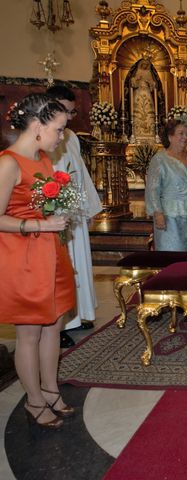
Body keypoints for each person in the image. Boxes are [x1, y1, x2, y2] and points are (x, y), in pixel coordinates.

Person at [0, 93, 76, 428]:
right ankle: (33, 400)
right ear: (37, 125)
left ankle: (49, 388)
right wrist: (38, 225)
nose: (61, 137)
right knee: (29, 332)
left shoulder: (43, 161)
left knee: (53, 325)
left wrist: (57, 218)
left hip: (49, 252)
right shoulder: (9, 163)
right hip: (24, 258)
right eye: (58, 129)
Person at [47, 85, 103, 349]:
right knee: (63, 268)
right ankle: (60, 326)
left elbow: (81, 173)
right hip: (56, 215)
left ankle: (78, 315)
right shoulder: (45, 138)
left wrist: (89, 207)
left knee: (79, 262)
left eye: (71, 112)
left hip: (75, 213)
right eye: (65, 111)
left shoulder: (71, 137)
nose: (69, 118)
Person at [145, 119, 187, 251]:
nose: (185, 137)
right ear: (170, 137)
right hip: (169, 218)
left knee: (186, 260)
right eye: (181, 133)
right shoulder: (159, 160)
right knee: (170, 258)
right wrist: (157, 213)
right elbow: (152, 190)